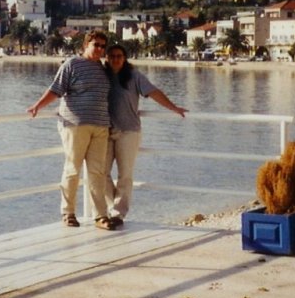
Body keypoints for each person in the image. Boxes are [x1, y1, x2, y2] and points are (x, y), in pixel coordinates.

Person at [27, 30, 115, 230]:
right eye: (96, 45)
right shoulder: (72, 64)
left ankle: (100, 216)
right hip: (75, 125)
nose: (100, 49)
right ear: (86, 45)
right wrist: (37, 106)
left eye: (103, 46)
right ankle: (68, 213)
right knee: (72, 170)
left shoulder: (104, 69)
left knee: (97, 173)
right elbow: (56, 89)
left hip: (100, 126)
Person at [104, 43, 188, 227]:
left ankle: (118, 213)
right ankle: (111, 207)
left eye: (119, 55)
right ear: (107, 59)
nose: (116, 59)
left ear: (124, 58)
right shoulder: (102, 76)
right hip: (105, 132)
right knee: (101, 173)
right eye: (112, 56)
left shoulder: (134, 76)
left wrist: (173, 107)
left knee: (125, 174)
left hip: (129, 131)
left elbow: (154, 92)